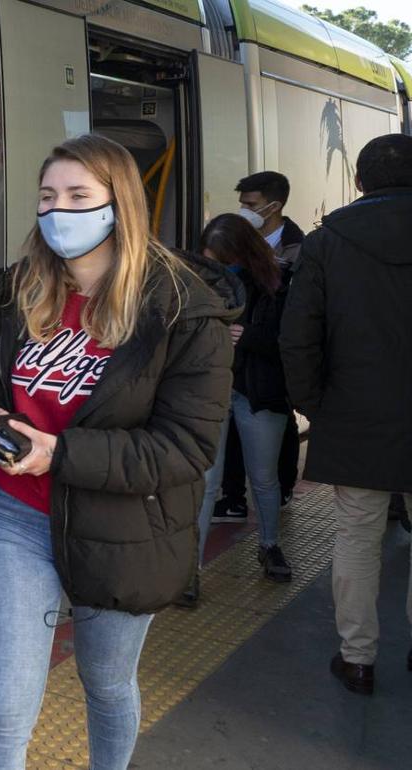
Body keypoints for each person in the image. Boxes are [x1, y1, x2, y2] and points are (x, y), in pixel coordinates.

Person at [0, 134, 236, 769]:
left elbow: (186, 447)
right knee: (1, 710)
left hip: (122, 527)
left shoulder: (183, 310)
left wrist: (59, 453)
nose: (59, 211)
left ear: (121, 204)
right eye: (47, 196)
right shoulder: (20, 288)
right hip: (16, 515)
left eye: (79, 196)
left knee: (106, 685)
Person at [280, 133, 412, 696]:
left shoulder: (327, 240)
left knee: (357, 537)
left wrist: (316, 406)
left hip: (356, 412)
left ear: (357, 182)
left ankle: (358, 658)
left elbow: (297, 337)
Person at [182, 214, 293, 606]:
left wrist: (248, 336)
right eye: (210, 259)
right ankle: (189, 572)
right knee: (205, 483)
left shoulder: (279, 282)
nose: (218, 268)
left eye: (224, 260)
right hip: (209, 390)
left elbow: (294, 340)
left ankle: (269, 545)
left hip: (258, 390)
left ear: (243, 254)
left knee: (262, 478)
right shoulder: (196, 282)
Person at [216, 171, 305, 522]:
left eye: (250, 205)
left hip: (269, 363)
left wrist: (250, 334)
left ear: (274, 206)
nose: (244, 211)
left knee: (277, 428)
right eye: (241, 204)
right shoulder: (237, 243)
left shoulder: (299, 251)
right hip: (237, 363)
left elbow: (294, 322)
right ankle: (234, 497)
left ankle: (281, 494)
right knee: (233, 434)